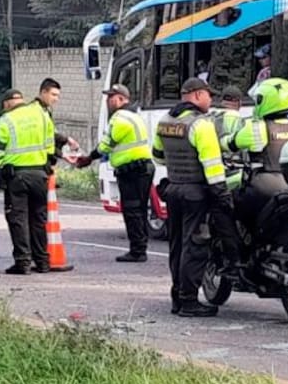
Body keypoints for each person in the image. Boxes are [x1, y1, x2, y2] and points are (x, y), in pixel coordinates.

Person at [151, 78, 226, 317]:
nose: (210, 100)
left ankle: (177, 297)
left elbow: (158, 156)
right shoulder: (201, 124)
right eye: (207, 95)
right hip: (196, 192)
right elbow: (212, 164)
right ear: (195, 95)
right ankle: (189, 301)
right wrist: (222, 194)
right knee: (195, 246)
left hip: (174, 189)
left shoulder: (166, 121)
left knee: (177, 244)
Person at [75, 84, 153, 262]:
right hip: (142, 168)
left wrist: (88, 158)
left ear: (121, 99)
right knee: (139, 211)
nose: (108, 102)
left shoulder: (119, 118)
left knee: (132, 210)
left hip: (132, 171)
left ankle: (138, 251)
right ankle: (140, 248)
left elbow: (106, 145)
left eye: (111, 98)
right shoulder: (135, 116)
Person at [0, 86, 55, 275]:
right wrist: (47, 160)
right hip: (40, 175)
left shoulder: (6, 120)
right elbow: (50, 143)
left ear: (7, 104)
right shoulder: (41, 115)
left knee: (18, 219)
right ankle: (42, 262)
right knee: (38, 219)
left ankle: (23, 262)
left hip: (17, 177)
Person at [222, 78, 288, 217]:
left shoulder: (256, 127)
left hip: (263, 187)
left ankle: (234, 239)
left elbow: (227, 143)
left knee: (224, 206)